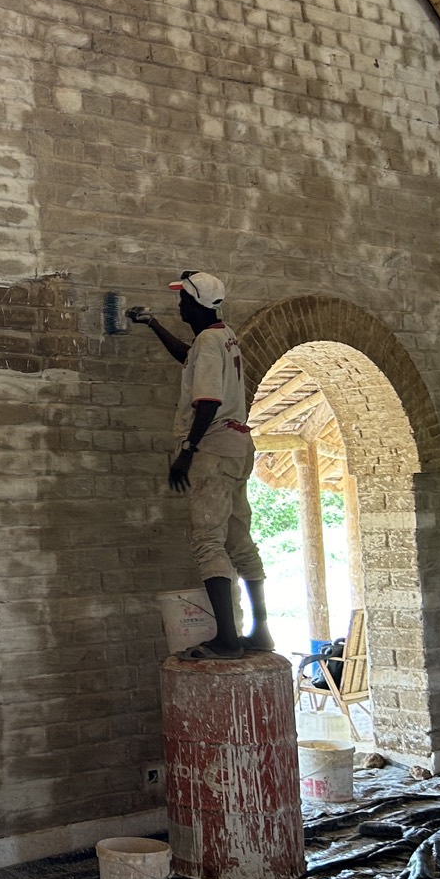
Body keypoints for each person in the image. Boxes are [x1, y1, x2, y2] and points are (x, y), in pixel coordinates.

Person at [130, 271, 272, 659]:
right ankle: (261, 633)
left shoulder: (210, 342)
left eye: (182, 301)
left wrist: (188, 451)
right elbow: (189, 358)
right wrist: (153, 324)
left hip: (212, 450)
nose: (179, 306)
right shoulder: (222, 336)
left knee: (207, 540)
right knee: (239, 540)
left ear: (196, 304)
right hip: (238, 447)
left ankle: (227, 638)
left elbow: (206, 402)